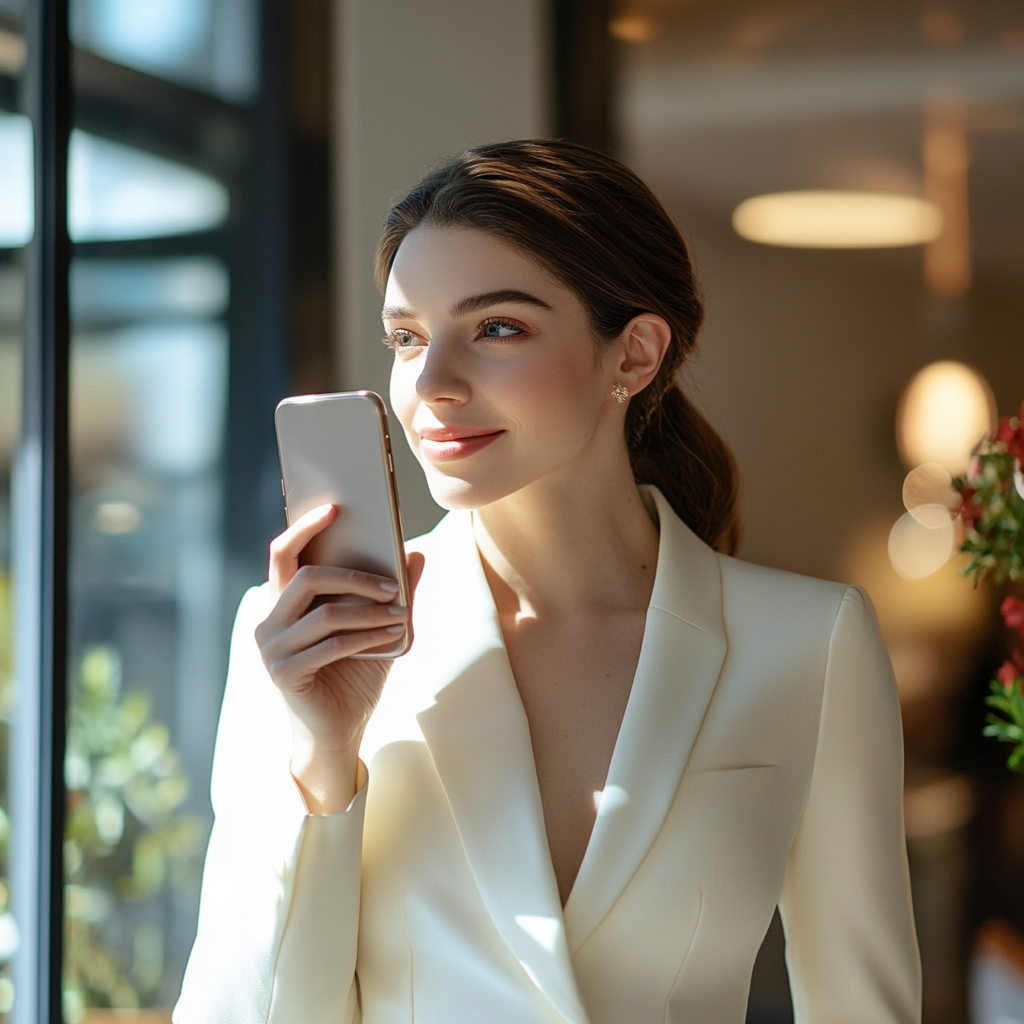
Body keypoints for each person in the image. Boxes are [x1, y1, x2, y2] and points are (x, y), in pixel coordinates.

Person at [174, 140, 920, 1024]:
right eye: (408, 338)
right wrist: (323, 759)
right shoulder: (303, 637)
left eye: (497, 328)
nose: (433, 385)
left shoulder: (809, 643)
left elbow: (865, 1007)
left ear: (634, 355)